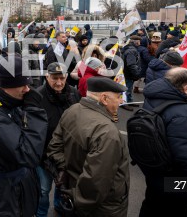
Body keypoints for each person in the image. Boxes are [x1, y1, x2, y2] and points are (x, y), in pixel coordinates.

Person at [139, 68, 187, 217]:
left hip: (157, 174)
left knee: (152, 206)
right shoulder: (182, 113)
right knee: (173, 210)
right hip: (176, 180)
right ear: (186, 88)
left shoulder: (154, 97)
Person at [0, 55, 48, 216]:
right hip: (4, 194)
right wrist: (35, 112)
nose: (27, 89)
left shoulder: (12, 102)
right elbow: (28, 154)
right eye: (22, 84)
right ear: (7, 85)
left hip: (18, 186)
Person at [47, 77, 130, 217]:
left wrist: (66, 170)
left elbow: (54, 147)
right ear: (104, 98)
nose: (121, 101)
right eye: (118, 97)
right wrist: (79, 200)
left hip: (75, 191)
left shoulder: (72, 110)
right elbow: (96, 183)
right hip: (103, 208)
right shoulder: (107, 132)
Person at [36, 62, 80, 217]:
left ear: (67, 77)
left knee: (62, 186)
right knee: (43, 189)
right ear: (47, 77)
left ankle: (58, 207)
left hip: (67, 155)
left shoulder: (74, 94)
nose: (59, 82)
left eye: (62, 78)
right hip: (44, 156)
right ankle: (41, 213)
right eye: (55, 78)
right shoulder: (37, 96)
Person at [120, 35, 141, 110]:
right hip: (128, 73)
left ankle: (129, 101)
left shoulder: (128, 48)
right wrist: (136, 73)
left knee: (129, 88)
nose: (140, 43)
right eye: (139, 41)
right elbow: (131, 64)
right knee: (127, 88)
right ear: (136, 42)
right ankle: (124, 103)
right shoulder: (132, 51)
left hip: (126, 72)